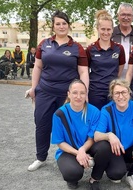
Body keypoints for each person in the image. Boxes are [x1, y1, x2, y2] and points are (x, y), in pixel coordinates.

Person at [27, 10, 89, 172]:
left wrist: (84, 93)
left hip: (67, 95)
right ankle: (40, 157)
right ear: (53, 26)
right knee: (42, 124)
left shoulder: (77, 48)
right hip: (45, 91)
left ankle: (74, 156)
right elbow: (38, 67)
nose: (61, 26)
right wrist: (34, 88)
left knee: (69, 126)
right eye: (58, 24)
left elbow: (83, 72)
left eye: (64, 23)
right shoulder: (44, 44)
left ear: (68, 25)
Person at [94, 79, 133, 190]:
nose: (121, 96)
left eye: (124, 92)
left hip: (131, 147)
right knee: (116, 174)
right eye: (117, 93)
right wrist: (109, 135)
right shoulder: (106, 110)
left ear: (129, 93)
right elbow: (97, 135)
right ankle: (120, 166)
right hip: (115, 150)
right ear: (112, 95)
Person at [51, 79, 105, 190]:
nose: (78, 96)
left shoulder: (94, 111)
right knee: (73, 173)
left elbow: (92, 138)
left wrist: (82, 150)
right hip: (68, 150)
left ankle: (95, 178)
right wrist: (77, 153)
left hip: (88, 147)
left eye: (82, 93)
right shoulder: (59, 114)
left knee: (104, 146)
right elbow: (60, 142)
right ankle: (72, 178)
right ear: (69, 94)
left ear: (86, 94)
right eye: (75, 92)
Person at [86, 10, 125, 110]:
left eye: (108, 29)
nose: (106, 32)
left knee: (112, 122)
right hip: (95, 92)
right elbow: (85, 72)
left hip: (113, 92)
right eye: (103, 29)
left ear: (113, 30)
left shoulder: (119, 48)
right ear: (98, 29)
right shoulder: (90, 49)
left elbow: (119, 70)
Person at [111, 2, 133, 78]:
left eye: (129, 15)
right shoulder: (110, 33)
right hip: (113, 76)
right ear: (118, 16)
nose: (126, 18)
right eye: (123, 14)